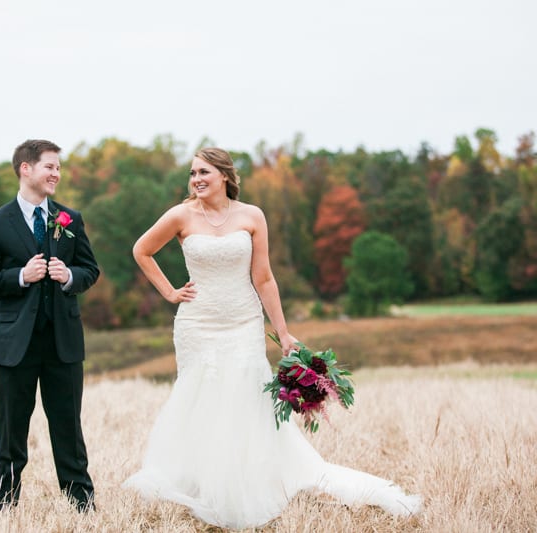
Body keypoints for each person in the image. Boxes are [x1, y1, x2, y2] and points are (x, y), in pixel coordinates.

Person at [123, 147, 422, 529]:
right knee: (201, 398)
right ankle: (202, 481)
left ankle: (249, 480)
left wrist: (283, 333)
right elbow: (142, 250)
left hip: (244, 323)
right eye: (193, 173)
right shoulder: (181, 215)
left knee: (246, 399)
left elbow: (263, 278)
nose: (196, 179)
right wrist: (169, 292)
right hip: (198, 325)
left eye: (204, 173)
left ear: (225, 177)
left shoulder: (252, 216)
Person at [0, 139, 99, 512]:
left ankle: (81, 507)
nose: (56, 173)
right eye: (50, 166)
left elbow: (91, 270)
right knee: (11, 430)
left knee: (68, 429)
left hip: (64, 342)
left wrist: (70, 275)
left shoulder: (69, 219)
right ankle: (5, 505)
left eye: (58, 167)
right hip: (15, 344)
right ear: (26, 169)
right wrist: (20, 277)